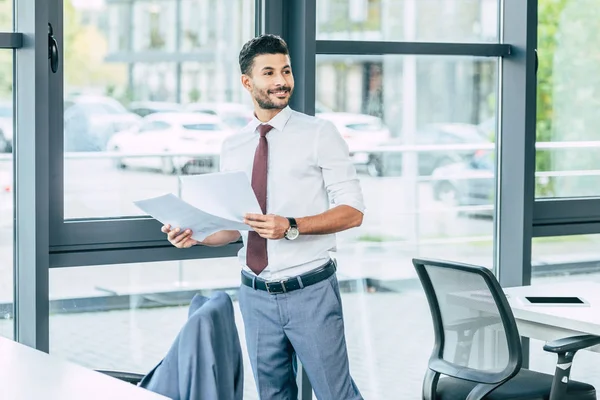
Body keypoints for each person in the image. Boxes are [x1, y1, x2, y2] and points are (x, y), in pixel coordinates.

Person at [162, 34, 365, 400]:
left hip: (310, 292)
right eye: (269, 72)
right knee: (272, 396)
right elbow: (234, 227)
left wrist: (291, 226)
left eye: (285, 71)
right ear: (247, 82)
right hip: (254, 293)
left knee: (337, 395)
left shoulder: (320, 134)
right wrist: (196, 235)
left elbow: (353, 212)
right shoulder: (233, 145)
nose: (281, 81)